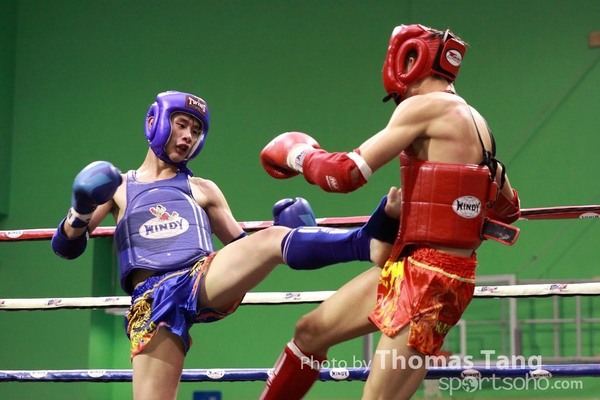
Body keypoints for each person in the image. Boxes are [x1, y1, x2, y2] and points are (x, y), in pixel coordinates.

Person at [50, 90, 401, 400]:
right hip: (152, 300)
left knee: (269, 241)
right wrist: (80, 209)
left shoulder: (203, 189)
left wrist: (288, 235)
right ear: (156, 122)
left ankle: (364, 241)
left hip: (200, 277)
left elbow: (241, 247)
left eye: (196, 130)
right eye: (181, 124)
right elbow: (66, 247)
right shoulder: (118, 187)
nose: (188, 136)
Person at [259, 24, 521, 399]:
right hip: (412, 266)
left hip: (431, 280)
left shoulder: (424, 106)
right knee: (310, 331)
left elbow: (345, 174)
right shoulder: (478, 124)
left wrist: (297, 154)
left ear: (409, 60)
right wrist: (431, 207)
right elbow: (508, 210)